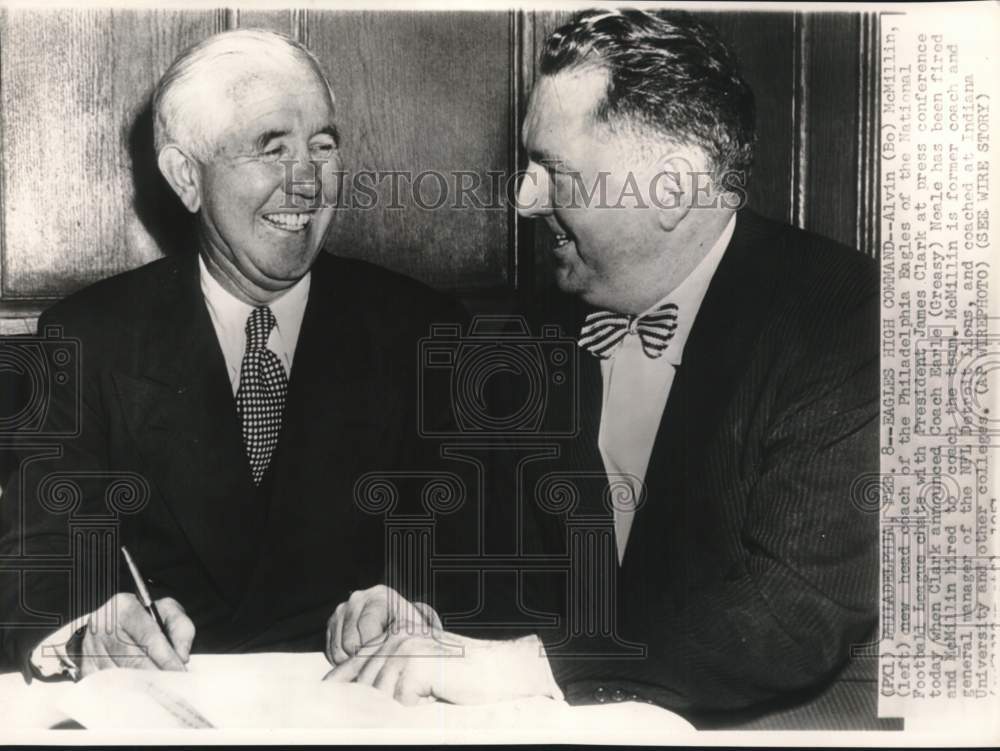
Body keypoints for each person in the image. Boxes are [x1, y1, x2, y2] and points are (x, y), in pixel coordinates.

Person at [324, 9, 879, 722]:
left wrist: (525, 665)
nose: (523, 200)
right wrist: (410, 607)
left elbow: (791, 613)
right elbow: (480, 560)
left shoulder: (847, 318)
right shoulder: (524, 334)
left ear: (673, 189)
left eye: (552, 171)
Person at [0, 29, 462, 680]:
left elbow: (483, 568)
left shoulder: (427, 333)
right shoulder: (86, 340)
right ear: (186, 176)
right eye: (271, 149)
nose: (308, 182)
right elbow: (32, 573)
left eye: (323, 147)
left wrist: (416, 609)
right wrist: (87, 633)